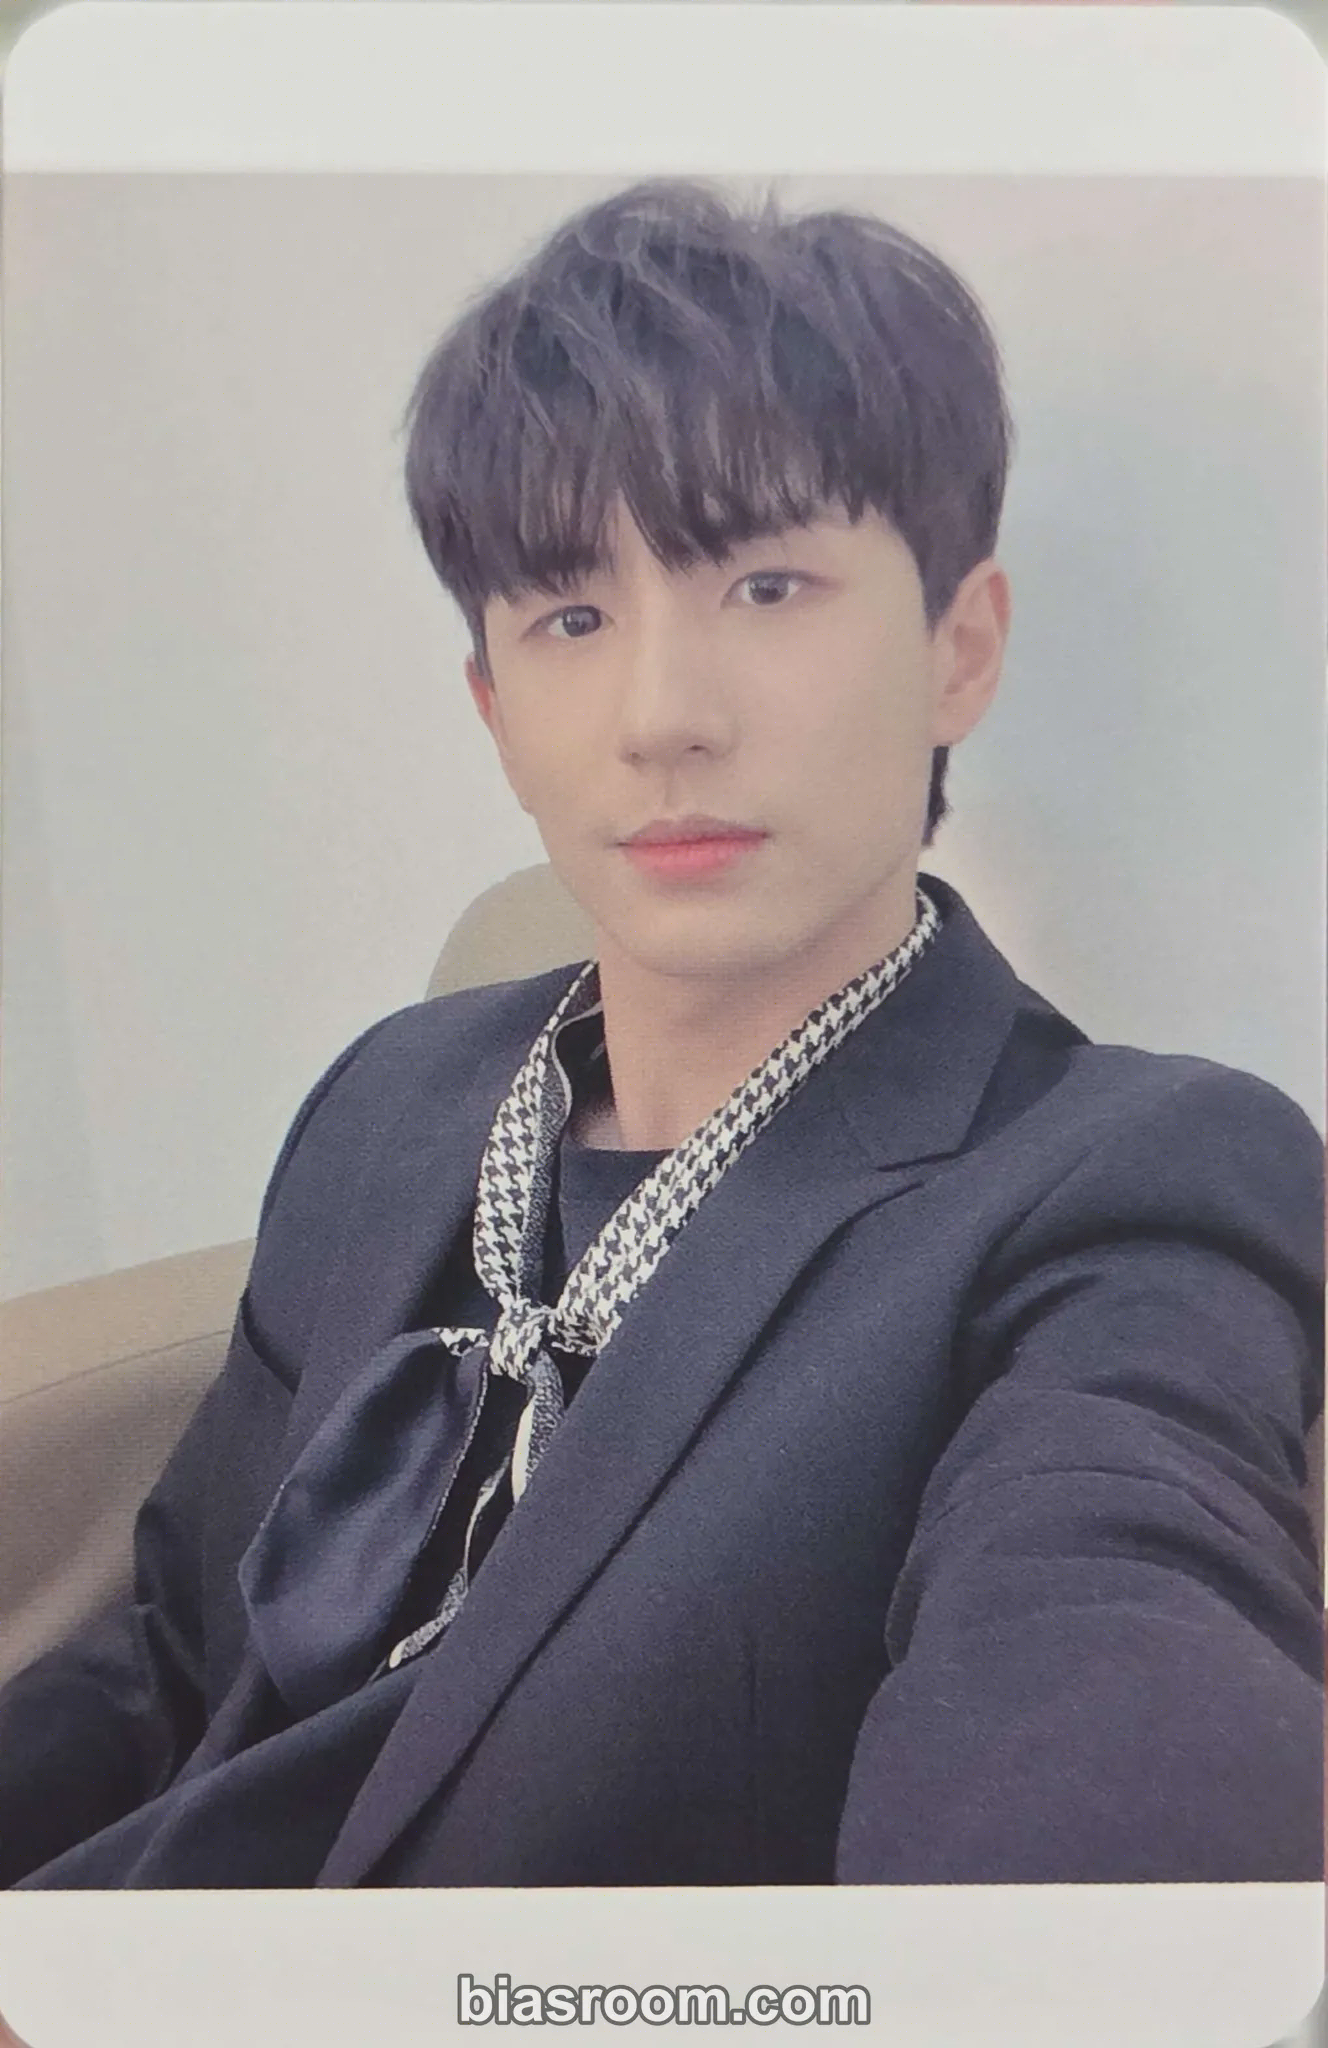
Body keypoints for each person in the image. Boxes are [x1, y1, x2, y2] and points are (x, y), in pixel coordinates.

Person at [0, 178, 1320, 1891]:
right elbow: (178, 1659)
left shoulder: (1131, 1177)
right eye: (571, 617)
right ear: (495, 707)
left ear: (959, 649)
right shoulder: (393, 1098)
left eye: (767, 586)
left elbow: (1109, 1630)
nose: (662, 717)